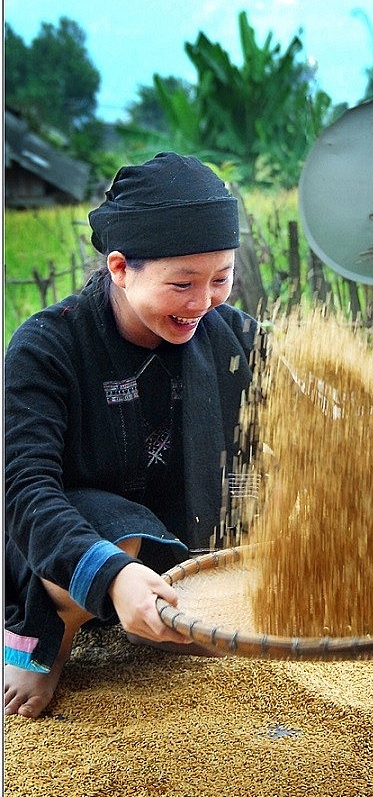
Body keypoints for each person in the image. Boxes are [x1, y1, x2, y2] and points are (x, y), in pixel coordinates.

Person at [4, 152, 259, 719]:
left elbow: (279, 430)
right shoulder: (48, 348)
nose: (203, 302)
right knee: (118, 535)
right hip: (62, 540)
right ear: (120, 268)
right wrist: (115, 576)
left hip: (176, 534)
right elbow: (22, 491)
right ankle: (42, 638)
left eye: (221, 278)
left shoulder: (231, 338)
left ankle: (152, 599)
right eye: (182, 283)